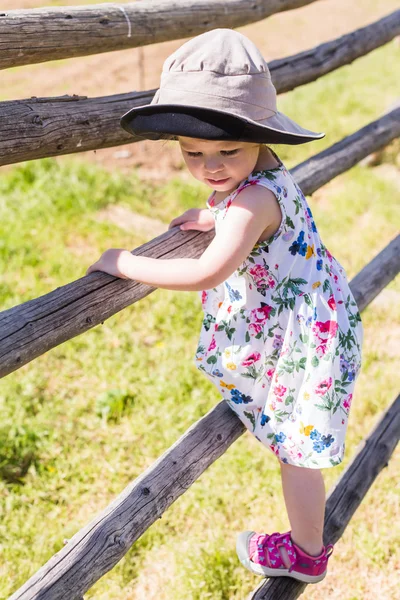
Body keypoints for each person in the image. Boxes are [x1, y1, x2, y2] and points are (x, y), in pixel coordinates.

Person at [86, 29, 363, 584]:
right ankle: (305, 538)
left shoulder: (251, 199)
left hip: (307, 335)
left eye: (225, 151)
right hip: (314, 316)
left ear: (255, 137)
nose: (211, 167)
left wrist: (125, 262)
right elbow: (246, 206)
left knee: (296, 444)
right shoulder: (261, 173)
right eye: (194, 154)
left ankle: (307, 551)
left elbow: (206, 271)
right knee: (294, 434)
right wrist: (215, 214)